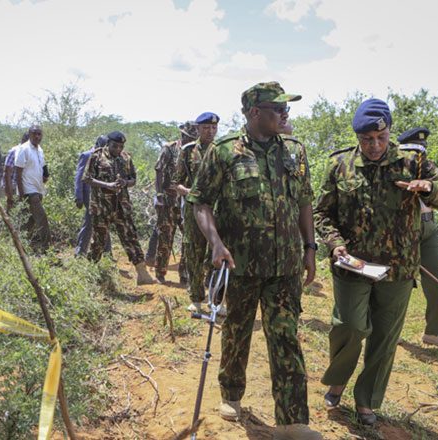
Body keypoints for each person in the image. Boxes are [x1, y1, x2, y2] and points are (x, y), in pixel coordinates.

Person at [188, 82, 321, 440]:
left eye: (286, 109)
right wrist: (215, 243)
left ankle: (292, 421)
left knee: (286, 337)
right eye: (278, 109)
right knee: (237, 332)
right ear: (254, 112)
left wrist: (310, 247)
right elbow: (200, 202)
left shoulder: (294, 151)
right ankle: (231, 394)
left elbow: (304, 201)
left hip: (285, 266)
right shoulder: (225, 151)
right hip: (240, 265)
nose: (284, 114)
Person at [315, 99, 438, 426]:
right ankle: (338, 380)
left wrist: (428, 189)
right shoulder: (340, 164)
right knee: (350, 326)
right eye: (367, 139)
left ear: (390, 131)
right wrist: (335, 243)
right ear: (357, 137)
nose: (375, 145)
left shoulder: (414, 163)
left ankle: (367, 400)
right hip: (352, 264)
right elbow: (321, 212)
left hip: (398, 268)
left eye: (381, 137)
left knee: (384, 337)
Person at [398, 127, 438, 348]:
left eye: (420, 152)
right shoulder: (393, 167)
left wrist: (429, 187)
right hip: (403, 230)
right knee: (400, 283)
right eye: (412, 151)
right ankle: (387, 332)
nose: (416, 157)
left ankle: (435, 332)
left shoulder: (429, 169)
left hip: (428, 227)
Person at [83, 131, 156, 285]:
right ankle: (89, 274)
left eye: (120, 146)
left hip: (122, 206)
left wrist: (125, 183)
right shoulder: (96, 156)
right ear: (108, 144)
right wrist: (107, 185)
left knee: (130, 237)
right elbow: (87, 178)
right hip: (101, 206)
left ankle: (142, 273)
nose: (118, 149)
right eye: (115, 146)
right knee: (99, 241)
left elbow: (133, 179)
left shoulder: (126, 158)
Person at [175, 113, 218, 313]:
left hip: (218, 209)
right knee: (194, 252)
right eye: (206, 128)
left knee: (217, 253)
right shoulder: (188, 151)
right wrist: (189, 192)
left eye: (214, 127)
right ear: (198, 129)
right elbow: (177, 182)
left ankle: (216, 299)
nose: (210, 131)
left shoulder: (223, 150)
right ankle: (196, 298)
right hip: (195, 209)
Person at [150, 122, 197, 283]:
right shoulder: (169, 149)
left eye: (194, 138)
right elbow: (159, 171)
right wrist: (159, 195)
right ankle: (160, 273)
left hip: (188, 200)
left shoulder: (197, 151)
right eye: (189, 137)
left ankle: (184, 274)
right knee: (165, 236)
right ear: (182, 135)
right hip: (168, 199)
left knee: (189, 238)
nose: (191, 140)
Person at [15, 125, 51, 253]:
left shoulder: (39, 149)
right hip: (29, 191)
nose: (37, 136)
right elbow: (18, 172)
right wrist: (21, 194)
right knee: (42, 218)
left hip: (38, 188)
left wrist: (45, 176)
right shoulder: (23, 149)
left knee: (29, 222)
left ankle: (20, 247)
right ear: (29, 134)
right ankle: (47, 248)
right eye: (34, 134)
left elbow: (43, 166)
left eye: (39, 134)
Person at [74, 135, 112, 257]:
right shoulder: (86, 155)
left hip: (101, 195)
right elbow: (79, 177)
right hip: (89, 195)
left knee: (99, 222)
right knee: (92, 222)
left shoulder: (105, 157)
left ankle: (105, 253)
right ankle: (82, 252)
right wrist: (78, 196)